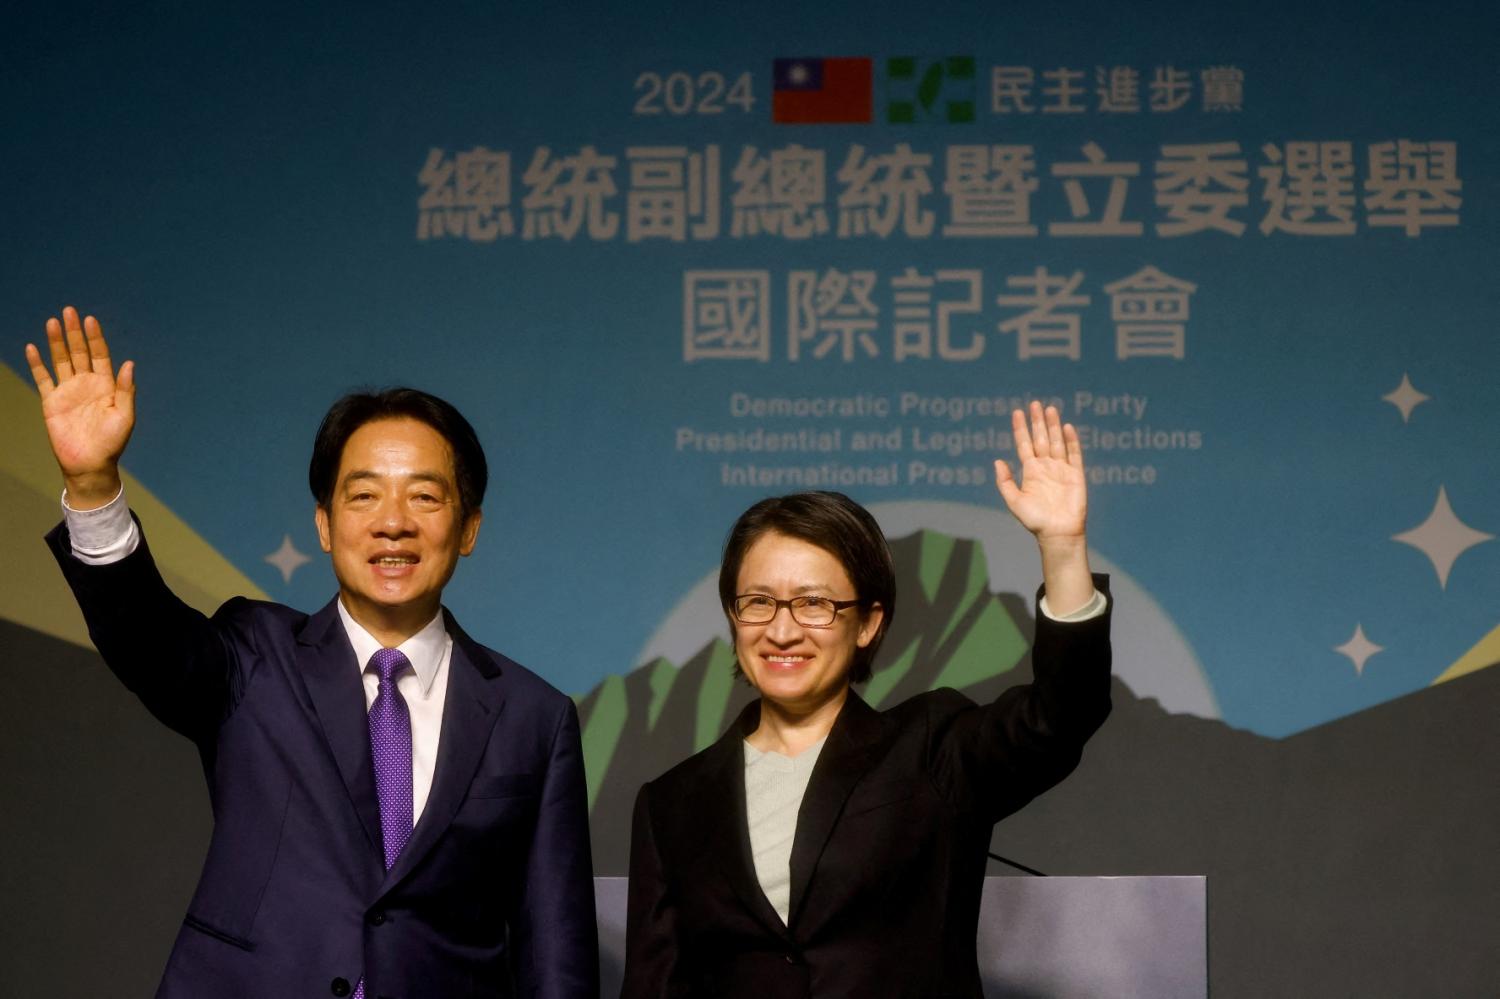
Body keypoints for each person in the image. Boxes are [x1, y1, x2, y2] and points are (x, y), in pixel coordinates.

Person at [25, 306, 598, 999]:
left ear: (468, 526)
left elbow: (555, 949)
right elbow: (147, 641)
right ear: (325, 524)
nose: (393, 521)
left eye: (424, 495)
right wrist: (93, 488)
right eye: (364, 495)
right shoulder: (254, 654)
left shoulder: (533, 716)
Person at [621, 402, 1112, 999]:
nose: (782, 630)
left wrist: (1063, 547)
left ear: (868, 623)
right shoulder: (671, 802)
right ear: (733, 615)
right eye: (758, 601)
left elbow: (1060, 716)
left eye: (814, 603)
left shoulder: (931, 749)